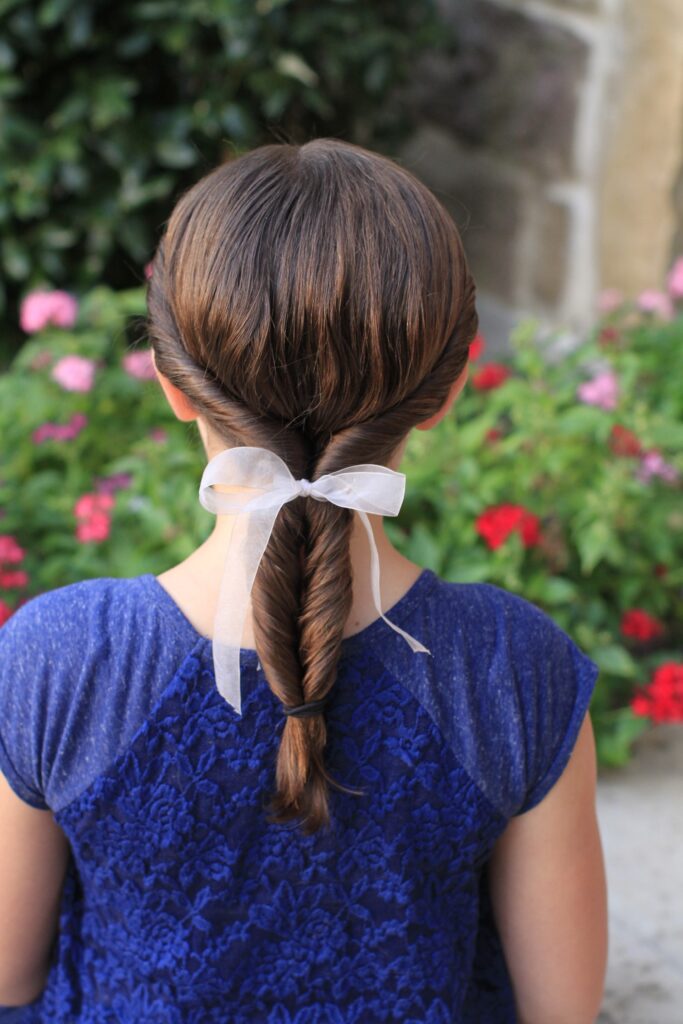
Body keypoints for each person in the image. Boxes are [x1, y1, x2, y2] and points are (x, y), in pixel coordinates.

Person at [0, 139, 607, 1022]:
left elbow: (8, 982)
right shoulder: (515, 670)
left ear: (174, 383)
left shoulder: (58, 661)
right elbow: (561, 1010)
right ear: (445, 391)